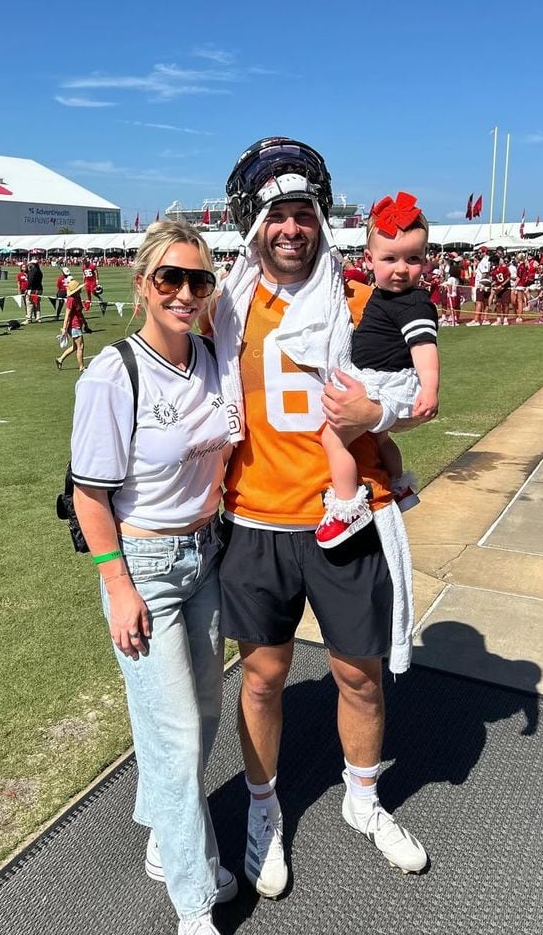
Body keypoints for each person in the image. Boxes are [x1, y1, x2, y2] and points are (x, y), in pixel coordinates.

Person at [214, 137, 429, 902]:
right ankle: (265, 811)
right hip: (256, 519)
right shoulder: (224, 304)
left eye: (303, 213)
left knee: (357, 676)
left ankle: (363, 798)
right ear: (254, 224)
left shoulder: (363, 298)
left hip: (345, 517)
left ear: (320, 220)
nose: (291, 228)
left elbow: (410, 390)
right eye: (278, 214)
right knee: (264, 677)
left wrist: (382, 411)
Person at [70, 220, 234, 935]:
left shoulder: (211, 354)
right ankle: (193, 901)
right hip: (145, 565)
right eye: (169, 277)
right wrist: (117, 585)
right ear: (141, 285)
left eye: (197, 280)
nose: (184, 292)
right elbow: (87, 492)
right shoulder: (114, 372)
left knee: (199, 719)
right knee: (173, 736)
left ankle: (164, 840)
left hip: (207, 554)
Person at [315, 193, 439, 547]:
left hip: (386, 380)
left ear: (425, 261)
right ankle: (399, 485)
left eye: (412, 259)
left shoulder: (413, 303)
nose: (401, 269)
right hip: (383, 377)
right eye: (391, 259)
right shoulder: (384, 297)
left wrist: (429, 389)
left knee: (332, 436)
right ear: (369, 260)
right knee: (381, 438)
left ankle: (345, 505)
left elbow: (424, 349)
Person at [55, 279, 87, 372]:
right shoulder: (71, 300)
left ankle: (60, 359)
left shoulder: (77, 297)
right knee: (80, 346)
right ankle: (81, 367)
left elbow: (79, 312)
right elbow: (67, 314)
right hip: (74, 325)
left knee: (75, 347)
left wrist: (85, 323)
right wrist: (64, 328)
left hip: (78, 324)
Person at [24, 258, 43, 323]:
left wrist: (27, 289)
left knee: (29, 303)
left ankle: (28, 318)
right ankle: (38, 318)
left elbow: (30, 281)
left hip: (32, 289)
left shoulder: (32, 271)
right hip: (39, 289)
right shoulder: (39, 271)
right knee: (37, 304)